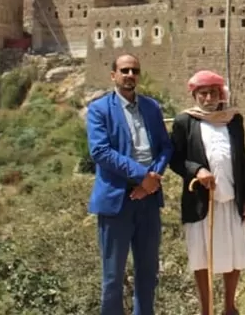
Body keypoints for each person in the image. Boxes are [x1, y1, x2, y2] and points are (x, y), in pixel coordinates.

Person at [86, 54, 173, 315]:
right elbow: (100, 152)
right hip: (116, 202)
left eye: (134, 70)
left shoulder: (151, 108)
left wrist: (152, 178)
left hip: (148, 199)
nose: (130, 75)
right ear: (113, 75)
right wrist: (141, 176)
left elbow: (165, 147)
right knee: (113, 277)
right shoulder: (99, 109)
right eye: (124, 70)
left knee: (148, 273)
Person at [169, 70, 245, 315]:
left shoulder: (233, 120)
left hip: (231, 199)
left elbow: (242, 161)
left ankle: (229, 307)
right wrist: (197, 171)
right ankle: (206, 310)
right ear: (195, 95)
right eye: (203, 93)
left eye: (213, 92)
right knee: (202, 257)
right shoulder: (185, 121)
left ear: (220, 94)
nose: (208, 98)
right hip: (201, 201)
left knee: (234, 254)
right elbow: (175, 159)